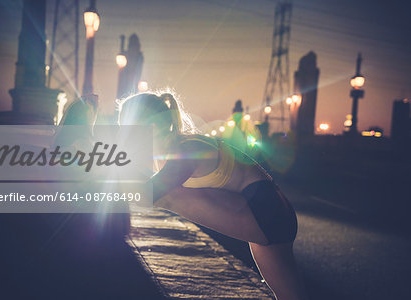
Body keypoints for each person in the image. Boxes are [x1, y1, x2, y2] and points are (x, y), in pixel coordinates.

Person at [118, 92, 309, 300]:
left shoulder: (184, 149)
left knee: (164, 194)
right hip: (271, 212)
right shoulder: (165, 153)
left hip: (265, 212)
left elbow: (152, 192)